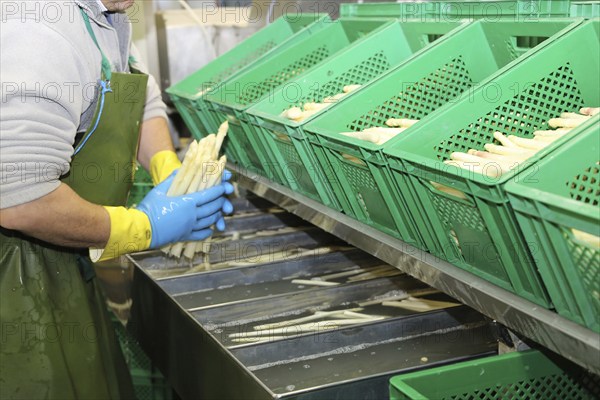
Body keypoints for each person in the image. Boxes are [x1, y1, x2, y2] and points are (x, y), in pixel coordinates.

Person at [0, 0, 233, 398]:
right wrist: (140, 228)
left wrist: (170, 171)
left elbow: (141, 99)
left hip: (63, 262)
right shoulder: (37, 29)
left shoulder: (105, 13)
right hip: (14, 278)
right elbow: (19, 200)